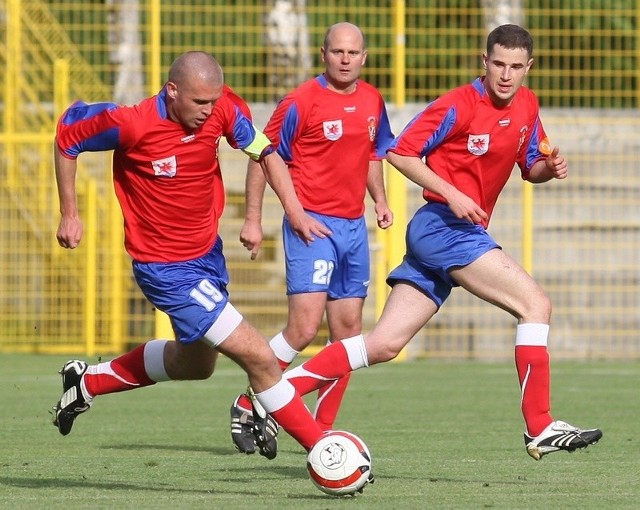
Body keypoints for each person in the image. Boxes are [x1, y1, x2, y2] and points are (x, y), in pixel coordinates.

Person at [279, 24, 603, 461]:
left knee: (385, 344)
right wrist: (452, 192)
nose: (506, 75)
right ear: (483, 62)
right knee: (536, 305)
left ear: (529, 67)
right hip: (443, 227)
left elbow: (530, 166)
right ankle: (540, 425)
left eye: (515, 67)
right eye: (498, 64)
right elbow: (400, 152)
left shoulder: (527, 105)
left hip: (452, 234)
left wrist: (550, 167)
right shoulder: (459, 104)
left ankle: (278, 391)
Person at [51, 51, 334, 459]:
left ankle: (87, 382)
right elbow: (67, 138)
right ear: (172, 91)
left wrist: (293, 213)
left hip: (207, 257)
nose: (209, 110)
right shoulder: (131, 123)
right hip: (166, 270)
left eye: (213, 100)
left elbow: (265, 152)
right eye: (200, 102)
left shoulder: (223, 108)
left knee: (196, 365)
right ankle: (325, 452)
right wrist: (70, 213)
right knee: (259, 357)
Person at [228, 22, 395, 456]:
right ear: (323, 54)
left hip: (353, 228)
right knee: (303, 327)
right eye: (337, 51)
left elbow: (373, 153)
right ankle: (251, 400)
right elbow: (261, 156)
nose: (345, 59)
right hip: (310, 224)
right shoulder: (301, 101)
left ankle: (320, 434)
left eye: (353, 52)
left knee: (348, 336)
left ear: (364, 57)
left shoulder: (373, 100)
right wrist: (253, 219)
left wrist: (379, 200)